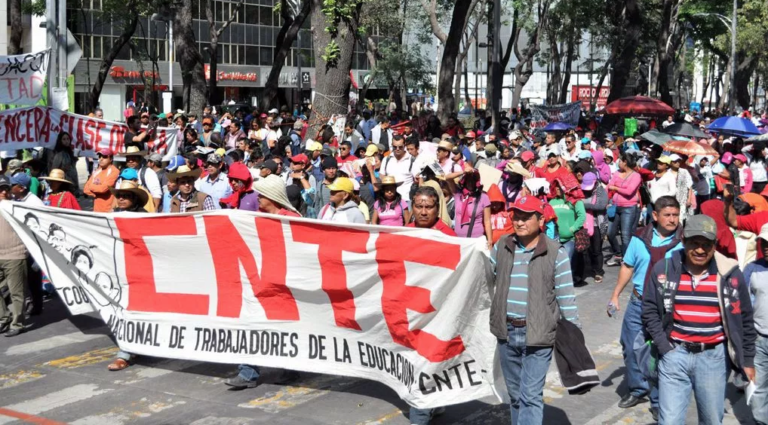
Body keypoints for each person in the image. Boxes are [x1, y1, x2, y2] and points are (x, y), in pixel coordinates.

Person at [642, 214, 756, 425]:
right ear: (684, 241)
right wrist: (663, 345)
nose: (701, 250)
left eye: (707, 244)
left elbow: (746, 320)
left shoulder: (729, 274)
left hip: (713, 359)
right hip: (675, 355)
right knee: (668, 421)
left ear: (715, 245)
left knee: (712, 420)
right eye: (695, 243)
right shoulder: (665, 269)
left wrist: (747, 360)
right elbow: (649, 309)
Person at [490, 195, 580, 425]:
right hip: (507, 333)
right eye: (516, 216)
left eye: (525, 217)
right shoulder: (503, 245)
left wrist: (574, 339)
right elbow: (484, 275)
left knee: (530, 395)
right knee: (516, 396)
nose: (519, 222)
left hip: (539, 335)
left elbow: (566, 297)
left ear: (540, 220)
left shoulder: (555, 252)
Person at [607, 196, 683, 420]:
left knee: (661, 351)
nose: (672, 219)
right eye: (667, 215)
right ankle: (638, 389)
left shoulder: (685, 241)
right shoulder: (639, 238)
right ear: (655, 216)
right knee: (630, 347)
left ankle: (659, 399)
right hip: (638, 301)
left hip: (667, 306)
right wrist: (615, 295)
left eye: (675, 215)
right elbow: (628, 267)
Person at [106, 180, 149, 370]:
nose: (121, 199)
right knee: (122, 311)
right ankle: (130, 348)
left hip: (140, 272)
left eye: (126, 196)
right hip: (119, 271)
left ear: (135, 199)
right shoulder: (111, 217)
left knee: (136, 311)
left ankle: (126, 352)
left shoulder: (144, 218)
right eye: (119, 196)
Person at [743, 223, 768, 425]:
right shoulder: (752, 269)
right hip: (760, 338)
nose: (766, 247)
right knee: (758, 385)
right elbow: (743, 303)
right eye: (764, 243)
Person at [0, 175, 28, 338]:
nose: (3, 191)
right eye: (0, 189)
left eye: (5, 188)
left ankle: (18, 323)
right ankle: (4, 317)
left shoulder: (15, 207)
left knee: (16, 292)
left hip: (15, 254)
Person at [606, 153, 642, 266]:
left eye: (620, 160)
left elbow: (629, 192)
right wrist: (618, 188)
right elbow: (608, 186)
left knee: (625, 235)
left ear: (625, 162)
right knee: (610, 233)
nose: (618, 162)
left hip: (628, 207)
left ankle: (626, 260)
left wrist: (616, 188)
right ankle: (618, 253)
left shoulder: (636, 176)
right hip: (615, 206)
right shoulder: (617, 173)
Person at [446, 163, 492, 247]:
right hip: (458, 239)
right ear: (464, 180)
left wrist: (490, 241)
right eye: (468, 180)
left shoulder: (483, 197)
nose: (470, 183)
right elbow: (448, 178)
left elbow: (487, 221)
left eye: (473, 180)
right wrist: (463, 172)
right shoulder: (458, 194)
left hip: (476, 240)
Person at [580, 172, 607, 284]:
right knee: (586, 249)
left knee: (596, 250)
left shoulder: (601, 191)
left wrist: (583, 205)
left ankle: (598, 272)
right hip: (583, 224)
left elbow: (600, 206)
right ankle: (589, 268)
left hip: (597, 224)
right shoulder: (581, 191)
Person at [118, 146, 162, 212]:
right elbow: (117, 192)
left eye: (133, 159)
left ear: (139, 159)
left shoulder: (147, 172)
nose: (130, 161)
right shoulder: (122, 173)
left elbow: (156, 193)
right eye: (128, 159)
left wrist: (155, 210)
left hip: (145, 210)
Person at [380, 135, 416, 201]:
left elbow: (418, 179)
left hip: (406, 199)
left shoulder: (412, 160)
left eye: (400, 147)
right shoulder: (386, 159)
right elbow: (382, 176)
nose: (397, 149)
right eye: (395, 147)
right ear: (392, 145)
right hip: (390, 200)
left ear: (404, 145)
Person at [83, 148, 120, 212]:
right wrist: (97, 192)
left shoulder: (114, 171)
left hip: (108, 211)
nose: (101, 159)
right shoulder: (97, 171)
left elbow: (102, 189)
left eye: (105, 157)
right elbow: (86, 189)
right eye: (99, 156)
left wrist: (92, 187)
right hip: (96, 210)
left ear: (111, 159)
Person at [669, 154, 695, 222]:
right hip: (670, 200)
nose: (677, 163)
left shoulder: (684, 172)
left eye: (679, 161)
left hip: (682, 200)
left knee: (680, 219)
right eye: (675, 161)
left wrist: (689, 199)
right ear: (671, 162)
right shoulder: (667, 173)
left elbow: (689, 186)